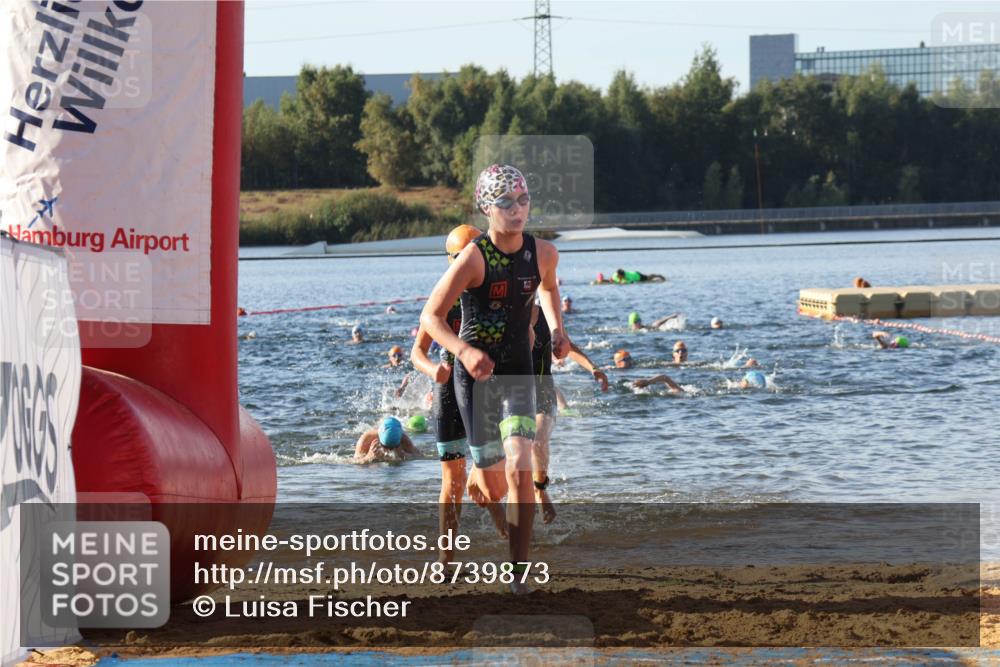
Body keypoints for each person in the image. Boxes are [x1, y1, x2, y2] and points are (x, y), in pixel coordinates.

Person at [420, 164, 569, 593]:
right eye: (506, 202)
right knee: (492, 484)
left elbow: (550, 289)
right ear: (487, 207)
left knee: (522, 466)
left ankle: (519, 574)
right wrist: (464, 351)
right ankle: (477, 477)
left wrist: (559, 329)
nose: (517, 210)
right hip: (474, 381)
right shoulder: (473, 258)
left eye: (523, 200)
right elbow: (430, 317)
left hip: (517, 372)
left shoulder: (542, 253)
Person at [410, 224, 508, 560]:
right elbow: (417, 353)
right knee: (452, 478)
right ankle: (446, 560)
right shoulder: (442, 299)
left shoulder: (496, 294)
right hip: (448, 391)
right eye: (464, 254)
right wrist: (432, 369)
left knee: (488, 470)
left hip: (484, 392)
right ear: (451, 260)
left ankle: (509, 535)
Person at [529, 303, 608, 524]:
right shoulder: (507, 315)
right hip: (512, 392)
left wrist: (594, 369)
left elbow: (569, 347)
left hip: (544, 391)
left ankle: (540, 489)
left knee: (537, 440)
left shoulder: (546, 316)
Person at [354, 417, 422, 463]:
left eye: (394, 447)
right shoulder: (366, 439)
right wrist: (368, 457)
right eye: (385, 446)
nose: (389, 450)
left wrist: (404, 455)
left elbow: (420, 456)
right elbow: (355, 461)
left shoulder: (404, 439)